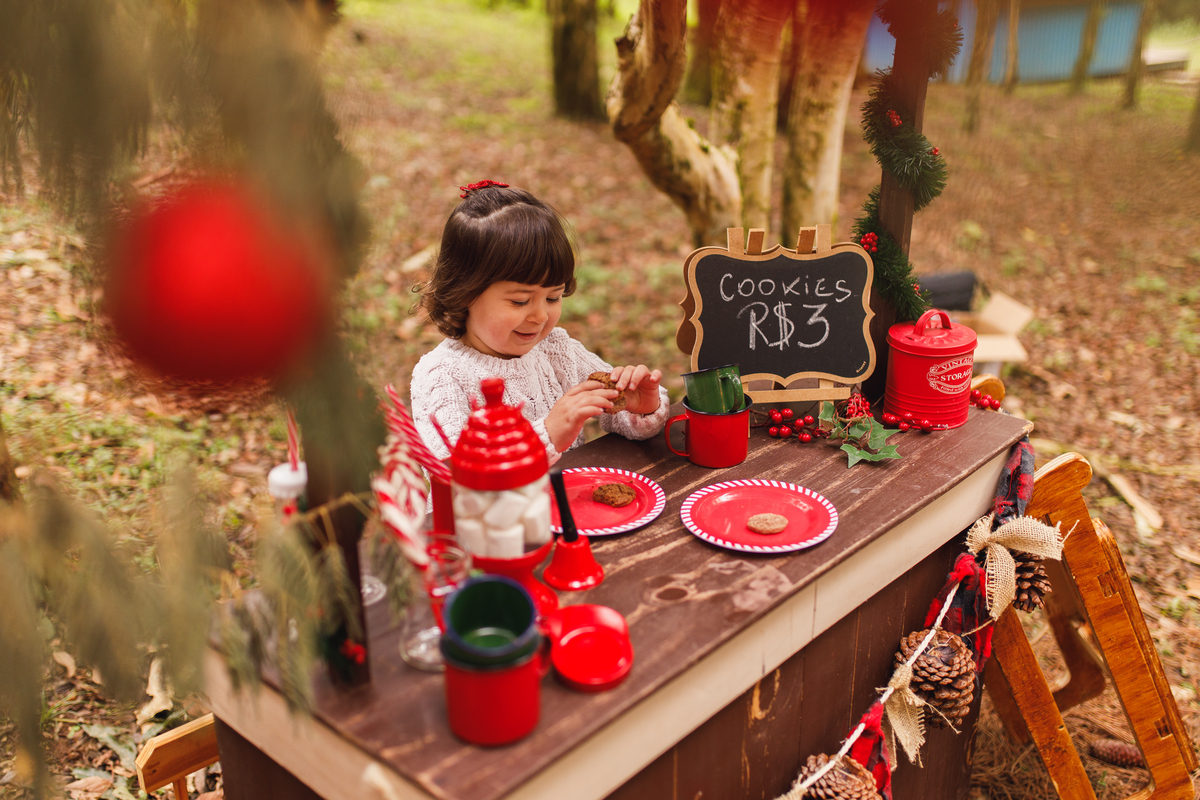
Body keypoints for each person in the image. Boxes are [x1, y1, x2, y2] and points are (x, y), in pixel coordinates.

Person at [410, 181, 669, 463]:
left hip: (566, 501)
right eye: (520, 301)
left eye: (553, 298)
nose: (540, 316)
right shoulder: (443, 375)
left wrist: (640, 408)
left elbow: (620, 417)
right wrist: (547, 434)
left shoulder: (556, 350)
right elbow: (455, 475)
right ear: (465, 293)